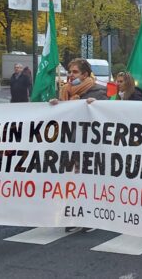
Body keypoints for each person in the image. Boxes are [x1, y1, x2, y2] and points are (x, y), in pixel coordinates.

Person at [48, 58, 107, 233]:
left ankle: (88, 216)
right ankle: (71, 215)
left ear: (85, 74)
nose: (70, 75)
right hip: (69, 142)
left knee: (87, 181)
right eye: (69, 71)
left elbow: (104, 116)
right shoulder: (65, 91)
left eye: (74, 72)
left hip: (89, 145)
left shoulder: (99, 92)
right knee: (69, 181)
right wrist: (55, 107)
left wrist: (95, 106)